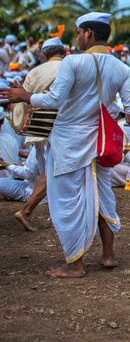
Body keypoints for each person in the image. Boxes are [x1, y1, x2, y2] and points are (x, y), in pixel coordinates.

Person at [0, 12, 130, 278]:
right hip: (100, 143)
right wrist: (109, 113)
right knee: (103, 197)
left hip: (69, 143)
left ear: (88, 33)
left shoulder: (73, 62)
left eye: (78, 33)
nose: (77, 38)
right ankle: (108, 256)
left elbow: (54, 99)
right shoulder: (121, 68)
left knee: (68, 202)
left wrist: (25, 96)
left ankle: (75, 264)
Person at [9, 37, 66, 231]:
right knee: (53, 172)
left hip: (37, 128)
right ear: (64, 51)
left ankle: (33, 211)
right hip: (61, 127)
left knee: (49, 171)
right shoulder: (70, 68)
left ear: (44, 54)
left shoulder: (34, 72)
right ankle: (27, 210)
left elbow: (21, 100)